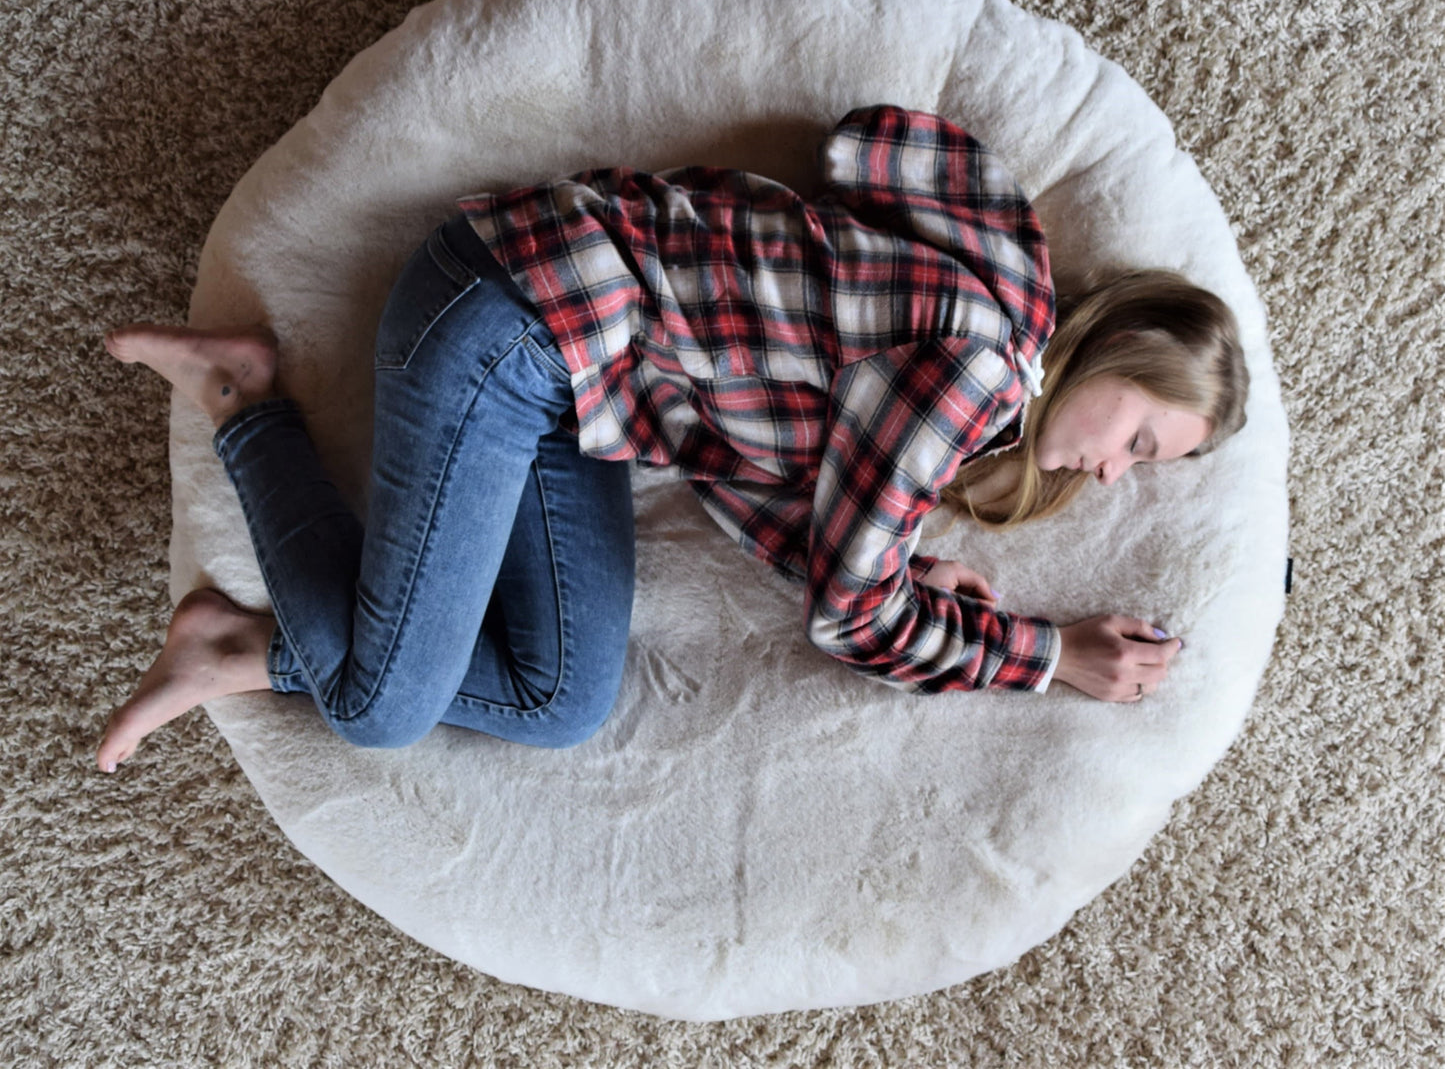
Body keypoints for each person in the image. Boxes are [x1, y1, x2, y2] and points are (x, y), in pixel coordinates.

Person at [96, 105, 1247, 773]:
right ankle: (242, 400)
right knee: (380, 712)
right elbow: (851, 622)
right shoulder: (983, 360)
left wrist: (897, 568)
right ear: (1116, 351)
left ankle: (245, 652)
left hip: (584, 397)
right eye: (1140, 440)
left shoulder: (980, 354)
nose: (1109, 474)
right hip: (513, 317)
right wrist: (1044, 658)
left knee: (557, 703)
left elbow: (756, 471)